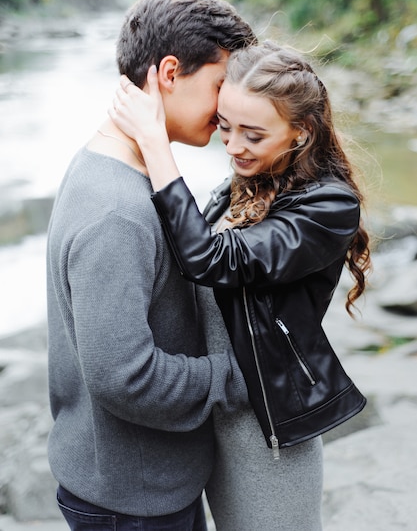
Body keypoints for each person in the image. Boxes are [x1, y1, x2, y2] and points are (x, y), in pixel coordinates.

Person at [109, 40, 372, 531]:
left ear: (301, 132)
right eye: (224, 127)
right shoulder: (242, 185)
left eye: (253, 134)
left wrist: (156, 145)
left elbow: (211, 259)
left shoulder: (329, 207)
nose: (232, 147)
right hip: (208, 410)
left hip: (264, 430)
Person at [46, 0, 257, 531]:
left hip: (142, 485)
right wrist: (232, 377)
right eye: (219, 85)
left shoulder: (125, 170)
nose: (227, 107)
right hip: (132, 502)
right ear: (169, 73)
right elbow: (125, 376)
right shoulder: (116, 211)